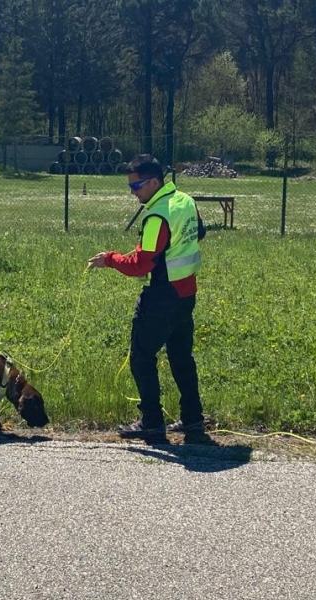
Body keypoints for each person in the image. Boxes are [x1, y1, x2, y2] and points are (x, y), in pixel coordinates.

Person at [87, 154, 205, 438]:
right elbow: (198, 232)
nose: (133, 192)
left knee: (141, 357)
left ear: (154, 182)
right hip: (186, 291)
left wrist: (111, 259)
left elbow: (140, 265)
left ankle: (151, 421)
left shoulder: (156, 215)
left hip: (162, 297)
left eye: (136, 186)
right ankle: (193, 418)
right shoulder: (184, 200)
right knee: (181, 358)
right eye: (130, 187)